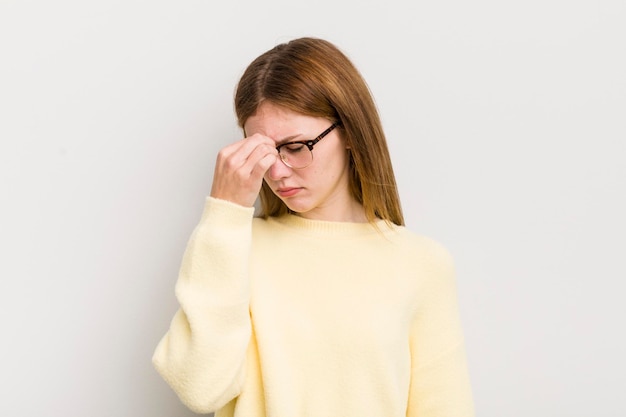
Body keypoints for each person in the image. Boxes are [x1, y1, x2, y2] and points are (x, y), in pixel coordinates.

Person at [153, 37, 474, 417]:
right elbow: (199, 388)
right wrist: (224, 212)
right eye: (264, 151)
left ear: (351, 133)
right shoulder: (232, 246)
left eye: (295, 146)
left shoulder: (422, 263)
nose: (276, 171)